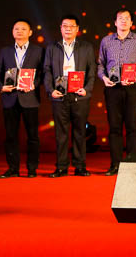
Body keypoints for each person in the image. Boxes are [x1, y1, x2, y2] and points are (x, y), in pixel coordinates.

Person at [97, 8, 136, 176]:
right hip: (112, 88)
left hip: (132, 88)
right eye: (120, 18)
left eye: (127, 18)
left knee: (132, 127)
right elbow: (100, 64)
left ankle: (133, 165)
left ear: (131, 22)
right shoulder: (106, 41)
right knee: (114, 127)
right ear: (115, 22)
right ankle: (115, 164)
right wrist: (103, 77)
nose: (123, 21)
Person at [43, 15, 96, 177]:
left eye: (71, 26)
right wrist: (51, 90)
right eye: (65, 26)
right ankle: (61, 167)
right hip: (59, 95)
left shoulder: (86, 47)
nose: (68, 29)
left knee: (80, 132)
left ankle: (80, 166)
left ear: (77, 29)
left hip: (79, 95)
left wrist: (87, 89)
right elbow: (47, 70)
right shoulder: (52, 48)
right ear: (60, 28)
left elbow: (92, 71)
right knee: (61, 133)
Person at [0, 19, 44, 178]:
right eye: (16, 29)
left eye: (23, 29)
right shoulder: (5, 51)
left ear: (30, 32)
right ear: (12, 32)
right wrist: (1, 87)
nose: (20, 31)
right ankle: (13, 169)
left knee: (33, 136)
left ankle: (32, 169)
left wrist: (34, 85)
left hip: (30, 98)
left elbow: (43, 73)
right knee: (11, 136)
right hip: (10, 98)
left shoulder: (38, 51)